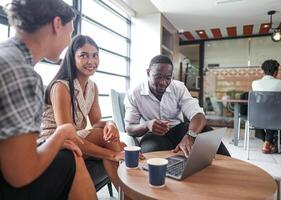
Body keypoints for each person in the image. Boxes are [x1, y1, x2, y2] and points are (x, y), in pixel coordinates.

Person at [0, 1, 96, 200]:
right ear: (57, 24)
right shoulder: (22, 73)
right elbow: (21, 174)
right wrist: (60, 134)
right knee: (72, 157)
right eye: (70, 33)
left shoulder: (7, 55)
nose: (70, 42)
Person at [40, 35, 125, 189]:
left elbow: (97, 121)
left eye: (95, 55)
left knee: (118, 141)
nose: (91, 61)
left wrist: (111, 123)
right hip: (54, 143)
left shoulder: (92, 86)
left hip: (74, 137)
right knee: (105, 140)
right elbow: (65, 134)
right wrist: (112, 154)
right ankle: (129, 195)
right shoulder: (61, 87)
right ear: (72, 58)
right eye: (84, 56)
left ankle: (127, 194)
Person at [124, 55, 230, 157]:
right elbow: (129, 128)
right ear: (148, 73)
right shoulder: (134, 93)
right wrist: (147, 125)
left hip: (178, 129)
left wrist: (190, 136)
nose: (163, 82)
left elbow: (198, 115)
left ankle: (230, 169)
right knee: (154, 153)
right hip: (152, 134)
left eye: (168, 78)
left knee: (207, 134)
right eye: (158, 77)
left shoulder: (178, 88)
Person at [252, 59, 281, 154]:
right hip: (275, 117)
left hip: (257, 117)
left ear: (263, 71)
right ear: (276, 71)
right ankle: (268, 142)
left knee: (259, 114)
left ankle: (267, 142)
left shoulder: (255, 83)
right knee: (273, 113)